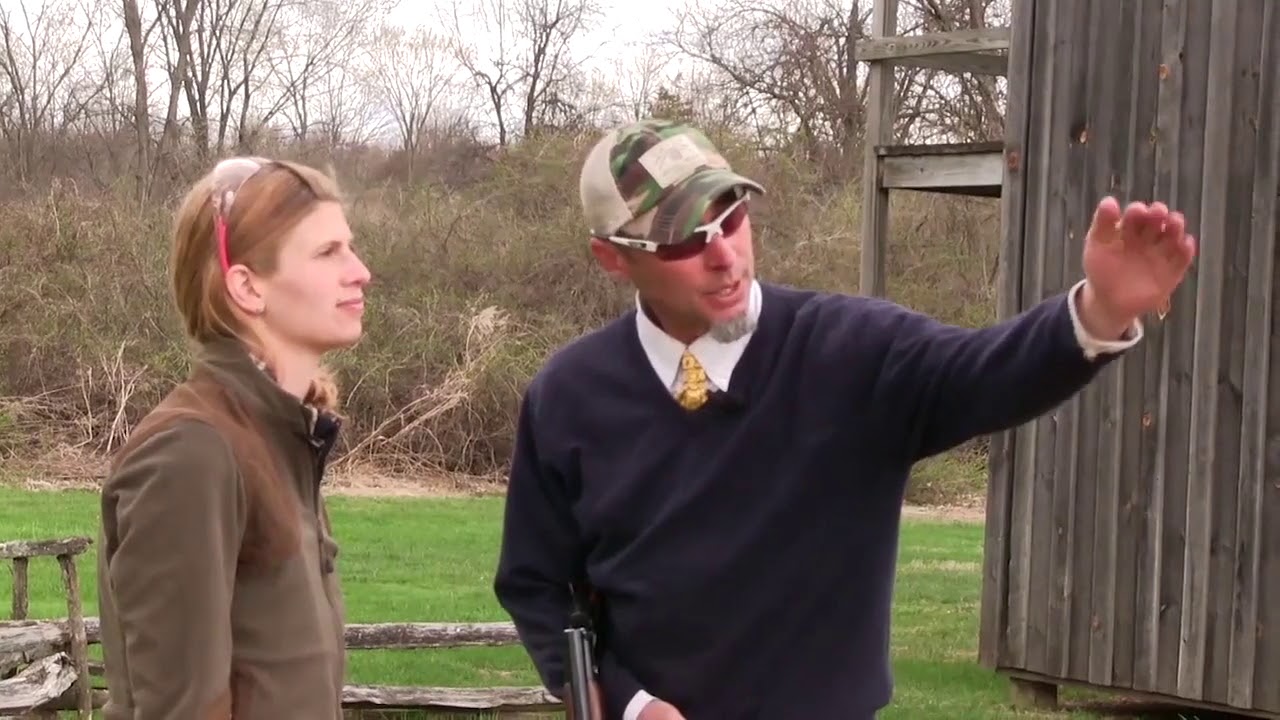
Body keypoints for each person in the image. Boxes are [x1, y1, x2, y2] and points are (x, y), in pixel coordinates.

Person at [492, 119, 1197, 720]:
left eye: (731, 217)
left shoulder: (854, 352)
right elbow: (534, 583)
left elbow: (989, 371)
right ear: (612, 258)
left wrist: (1099, 312)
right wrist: (627, 702)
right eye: (683, 239)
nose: (724, 255)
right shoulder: (569, 396)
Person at [96, 155, 371, 719]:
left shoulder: (281, 437)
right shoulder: (192, 452)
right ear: (246, 286)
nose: (360, 271)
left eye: (350, 247)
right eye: (327, 252)